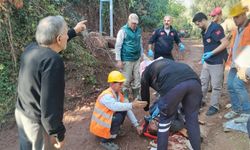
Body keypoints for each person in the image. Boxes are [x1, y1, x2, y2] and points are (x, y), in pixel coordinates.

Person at [15, 15, 87, 150]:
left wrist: (74, 31)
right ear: (59, 39)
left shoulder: (30, 49)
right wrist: (58, 134)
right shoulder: (53, 61)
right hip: (37, 124)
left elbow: (51, 41)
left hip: (22, 113)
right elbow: (50, 104)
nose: (67, 36)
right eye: (66, 33)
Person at [141, 58, 202, 150]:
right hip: (194, 82)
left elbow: (144, 94)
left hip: (175, 86)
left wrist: (146, 108)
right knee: (192, 119)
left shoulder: (146, 72)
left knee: (164, 121)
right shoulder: (165, 63)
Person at [89, 70, 147, 150]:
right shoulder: (106, 96)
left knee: (123, 110)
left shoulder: (118, 94)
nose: (122, 85)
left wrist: (136, 125)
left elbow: (126, 108)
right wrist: (132, 105)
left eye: (122, 83)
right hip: (100, 127)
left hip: (106, 122)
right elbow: (115, 106)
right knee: (118, 117)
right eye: (120, 83)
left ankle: (115, 130)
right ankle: (105, 140)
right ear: (112, 84)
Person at [192, 12, 229, 116]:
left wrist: (212, 53)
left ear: (203, 20)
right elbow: (208, 45)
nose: (198, 26)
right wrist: (204, 57)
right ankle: (200, 101)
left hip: (217, 61)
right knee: (203, 83)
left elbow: (225, 43)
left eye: (198, 24)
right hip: (207, 62)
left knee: (216, 85)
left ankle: (214, 106)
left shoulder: (216, 28)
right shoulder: (204, 31)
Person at [224, 3, 250, 122]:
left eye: (237, 17)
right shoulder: (236, 30)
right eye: (233, 17)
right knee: (230, 85)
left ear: (244, 15)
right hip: (235, 64)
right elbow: (234, 47)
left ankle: (247, 112)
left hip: (245, 64)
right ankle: (236, 109)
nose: (235, 20)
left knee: (238, 85)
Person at [115, 13, 144, 101]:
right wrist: (119, 60)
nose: (134, 25)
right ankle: (126, 97)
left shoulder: (139, 30)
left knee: (137, 78)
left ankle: (136, 96)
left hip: (137, 58)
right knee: (126, 79)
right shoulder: (123, 31)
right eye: (133, 23)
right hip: (126, 59)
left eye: (136, 23)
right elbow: (118, 46)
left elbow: (140, 43)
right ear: (128, 21)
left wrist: (142, 54)